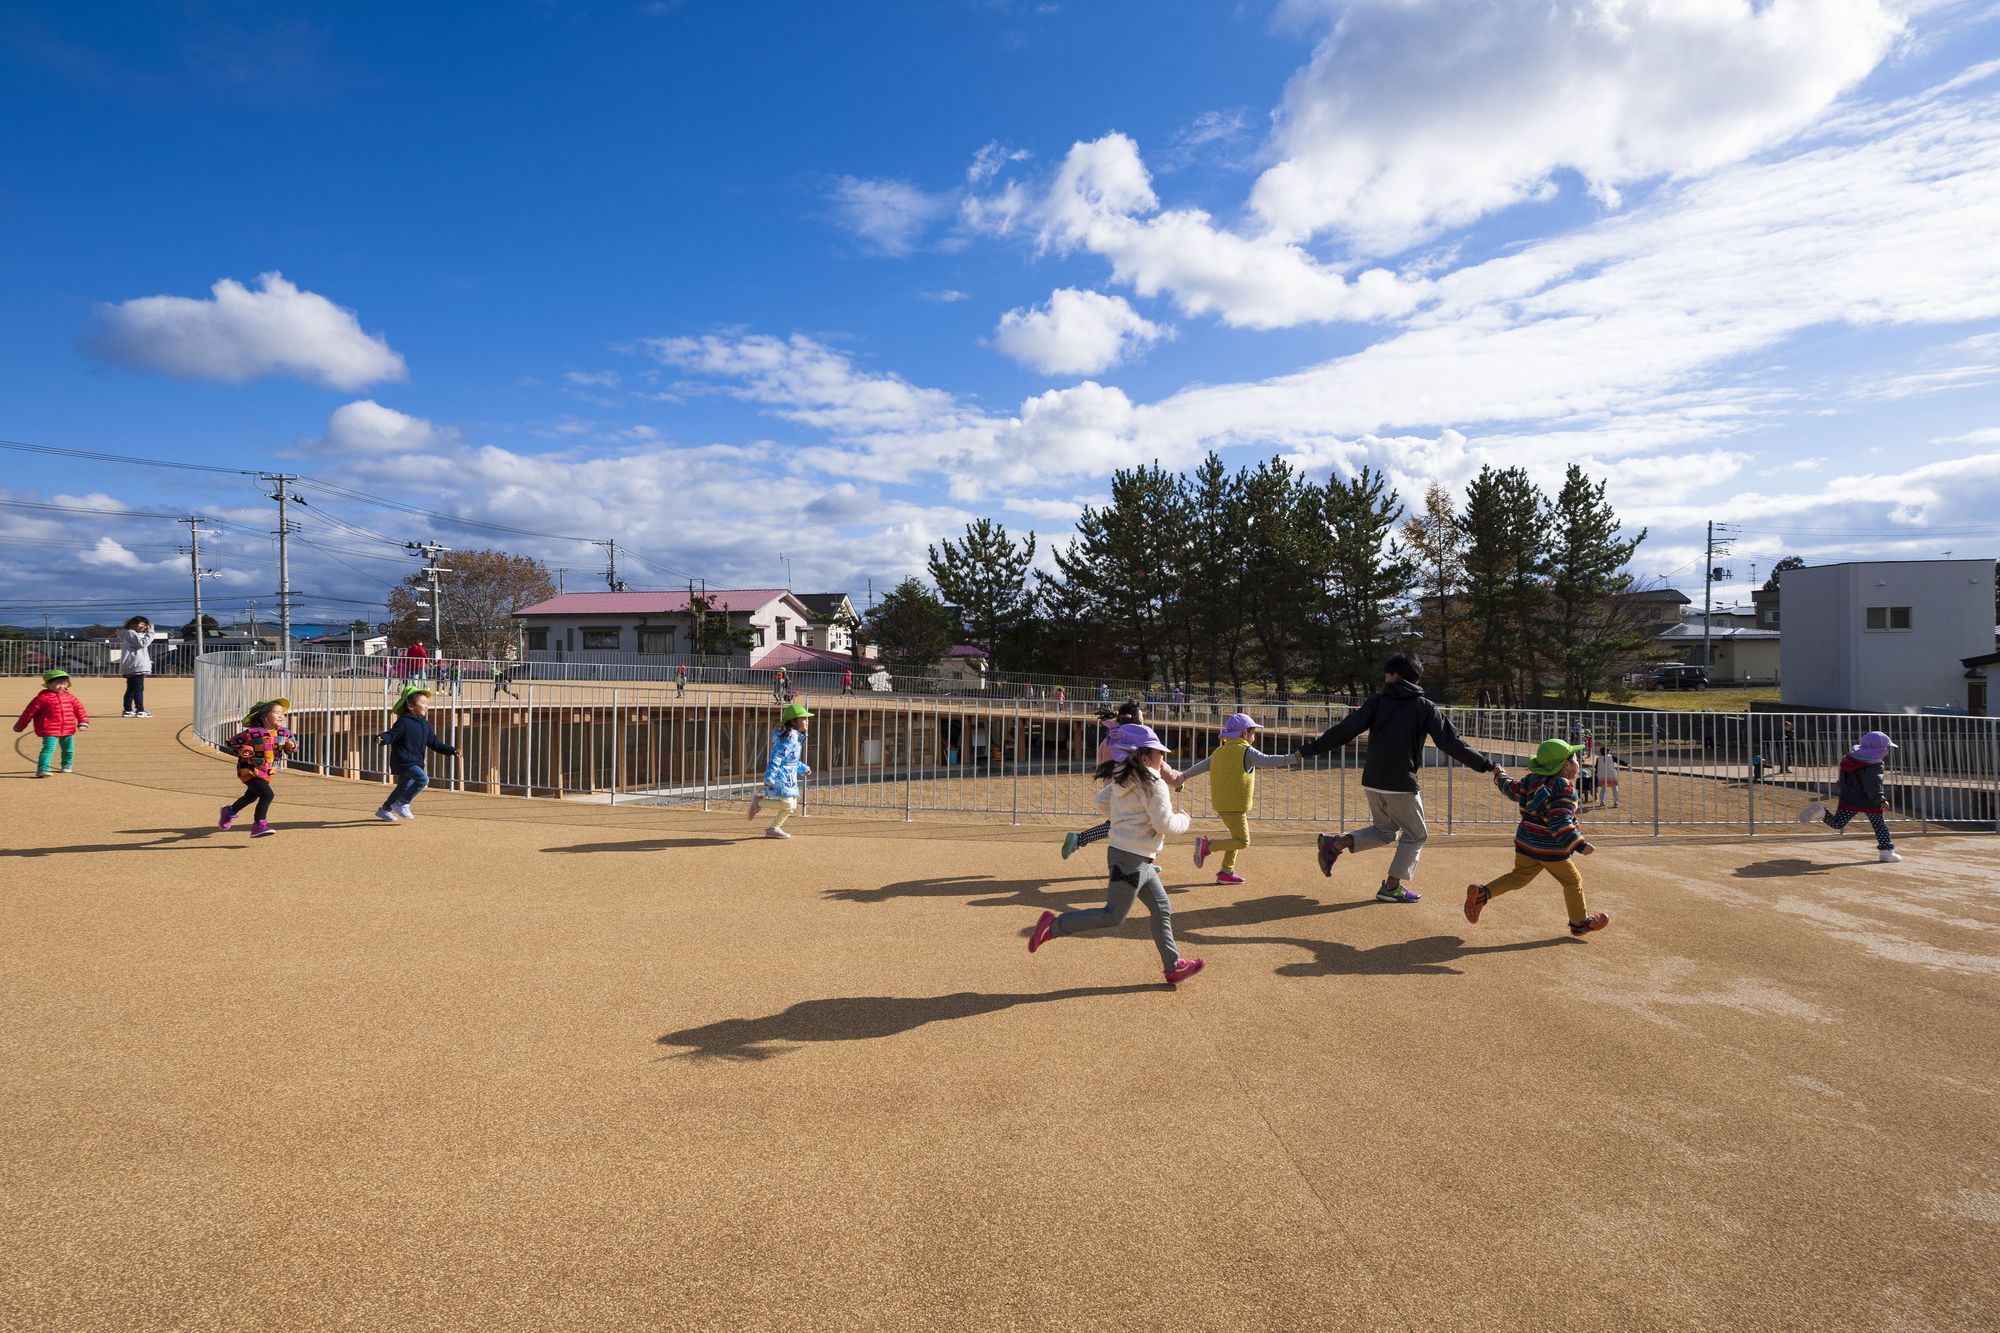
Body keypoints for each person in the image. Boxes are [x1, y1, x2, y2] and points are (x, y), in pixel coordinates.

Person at [1297, 653, 1495, 903]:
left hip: (1372, 780)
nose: (1385, 677)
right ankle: (1391, 887)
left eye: (1388, 673)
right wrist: (1485, 764)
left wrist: (1309, 749)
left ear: (1397, 676)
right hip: (1401, 783)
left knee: (1385, 830)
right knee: (1416, 835)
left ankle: (1335, 845)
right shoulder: (1425, 707)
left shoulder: (1377, 702)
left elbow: (1344, 730)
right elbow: (1450, 742)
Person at [1029, 723, 1204, 986]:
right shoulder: (1153, 783)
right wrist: (1185, 819)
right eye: (1160, 754)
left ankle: (1173, 965)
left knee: (1162, 907)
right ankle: (1053, 926)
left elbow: (1101, 801)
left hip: (1135, 857)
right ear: (1145, 757)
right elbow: (1164, 824)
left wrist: (1125, 819)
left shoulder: (1124, 777)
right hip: (1131, 859)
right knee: (1113, 915)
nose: (1163, 758)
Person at [1462, 738, 1609, 936]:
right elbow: (1559, 821)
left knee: (1518, 877)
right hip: (1551, 848)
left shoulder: (1531, 779)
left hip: (1526, 842)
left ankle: (1483, 893)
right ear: (1566, 767)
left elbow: (1510, 788)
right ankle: (1579, 923)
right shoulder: (1564, 789)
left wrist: (1499, 774)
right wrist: (1578, 844)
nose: (1578, 764)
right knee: (1573, 882)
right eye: (1575, 760)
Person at [1179, 712, 1300, 885]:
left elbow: (1201, 766)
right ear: (1244, 734)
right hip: (1235, 805)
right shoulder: (1246, 751)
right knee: (1243, 841)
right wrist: (1293, 758)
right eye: (1253, 732)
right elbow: (1269, 760)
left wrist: (1183, 776)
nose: (1254, 736)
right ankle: (1208, 847)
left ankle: (1226, 871)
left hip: (1222, 803)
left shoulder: (1219, 751)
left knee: (1235, 837)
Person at [1060, 702, 1180, 858]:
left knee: (1125, 824)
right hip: (1132, 789)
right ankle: (1080, 839)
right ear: (1137, 721)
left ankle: (1145, 863)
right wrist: (1178, 780)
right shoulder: (1140, 741)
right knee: (1140, 824)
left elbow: (1101, 763)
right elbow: (1162, 767)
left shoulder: (1109, 739)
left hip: (1112, 787)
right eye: (1142, 718)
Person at [1796, 730, 1900, 863]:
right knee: (1880, 825)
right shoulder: (1876, 764)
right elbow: (1872, 784)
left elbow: (1842, 778)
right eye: (1886, 748)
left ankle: (1821, 812)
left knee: (1838, 823)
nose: (1887, 751)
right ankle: (1886, 853)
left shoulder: (1849, 758)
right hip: (1869, 800)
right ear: (1880, 750)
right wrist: (1881, 800)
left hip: (1849, 798)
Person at [375, 686, 459, 822]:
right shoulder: (403, 722)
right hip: (404, 761)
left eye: (427, 703)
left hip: (416, 760)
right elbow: (391, 735)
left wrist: (451, 750)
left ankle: (385, 809)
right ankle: (402, 803)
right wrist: (382, 738)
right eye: (423, 703)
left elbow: (434, 743)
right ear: (410, 706)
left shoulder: (425, 725)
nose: (426, 706)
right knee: (423, 779)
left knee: (402, 787)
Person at [218, 698, 296, 837]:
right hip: (249, 770)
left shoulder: (284, 733)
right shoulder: (252, 732)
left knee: (250, 797)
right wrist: (244, 748)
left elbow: (293, 744)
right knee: (267, 795)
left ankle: (229, 811)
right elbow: (232, 743)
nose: (281, 716)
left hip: (267, 771)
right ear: (263, 715)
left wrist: (292, 746)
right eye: (276, 712)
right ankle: (259, 825)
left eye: (282, 713)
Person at [750, 701, 813, 838]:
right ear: (794, 721)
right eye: (804, 719)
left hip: (788, 776)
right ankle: (758, 802)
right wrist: (770, 776)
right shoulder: (790, 738)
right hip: (781, 775)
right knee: (788, 803)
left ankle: (774, 828)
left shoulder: (795, 737)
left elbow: (792, 761)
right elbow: (777, 757)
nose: (807, 721)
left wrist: (804, 768)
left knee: (792, 805)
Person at [14, 669, 88, 777]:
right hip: (49, 728)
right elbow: (29, 712)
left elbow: (79, 709)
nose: (62, 686)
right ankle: (43, 768)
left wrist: (83, 722)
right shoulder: (41, 698)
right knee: (48, 748)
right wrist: (20, 725)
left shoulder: (69, 696)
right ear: (48, 684)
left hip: (67, 727)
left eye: (64, 683)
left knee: (69, 749)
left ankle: (66, 765)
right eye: (58, 683)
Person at [117, 616, 154, 717]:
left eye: (145, 624)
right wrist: (150, 632)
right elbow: (143, 643)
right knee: (138, 689)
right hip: (135, 665)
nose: (143, 626)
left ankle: (128, 710)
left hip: (131, 665)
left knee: (131, 689)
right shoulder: (131, 633)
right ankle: (140, 710)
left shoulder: (127, 633)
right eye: (141, 624)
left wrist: (146, 633)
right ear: (133, 624)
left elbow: (140, 642)